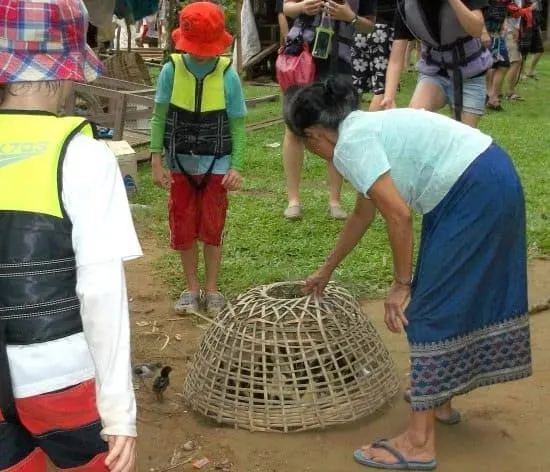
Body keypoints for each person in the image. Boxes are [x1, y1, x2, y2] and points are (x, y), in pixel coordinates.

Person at [283, 77, 532, 469]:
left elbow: (398, 215)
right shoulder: (359, 129)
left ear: (313, 136)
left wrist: (401, 285)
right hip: (482, 179)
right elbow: (364, 212)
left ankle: (418, 441)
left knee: (429, 308)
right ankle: (441, 399)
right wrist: (327, 269)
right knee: (449, 298)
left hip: (471, 190)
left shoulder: (350, 145)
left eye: (306, 144)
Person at [0, 1, 140, 471]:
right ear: (66, 73)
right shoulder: (83, 157)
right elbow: (102, 294)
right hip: (58, 380)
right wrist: (120, 413)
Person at [150, 2, 247, 316]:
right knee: (183, 227)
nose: (202, 54)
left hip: (217, 166)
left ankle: (212, 288)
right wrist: (155, 159)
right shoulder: (171, 71)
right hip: (179, 165)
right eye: (196, 47)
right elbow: (159, 117)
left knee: (212, 227)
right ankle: (191, 287)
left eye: (208, 48)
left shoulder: (228, 76)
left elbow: (237, 124)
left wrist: (237, 165)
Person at [281, 0, 376, 220]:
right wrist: (302, 7)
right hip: (301, 57)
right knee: (292, 126)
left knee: (338, 129)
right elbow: (284, 7)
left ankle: (335, 200)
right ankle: (293, 200)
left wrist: (349, 16)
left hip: (341, 61)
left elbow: (369, 26)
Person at [382, 0, 492, 128]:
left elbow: (476, 29)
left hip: (470, 75)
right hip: (434, 72)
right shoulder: (407, 7)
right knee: (413, 122)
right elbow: (396, 59)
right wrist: (389, 97)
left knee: (463, 135)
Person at [351, 1, 396, 111]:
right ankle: (369, 126)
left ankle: (350, 124)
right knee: (383, 89)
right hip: (383, 31)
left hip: (360, 28)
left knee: (356, 87)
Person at [483, 0, 512, 110]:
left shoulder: (504, 3)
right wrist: (483, 32)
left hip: (499, 37)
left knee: (504, 65)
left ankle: (493, 95)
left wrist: (504, 22)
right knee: (489, 65)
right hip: (485, 36)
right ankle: (490, 96)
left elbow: (505, 12)